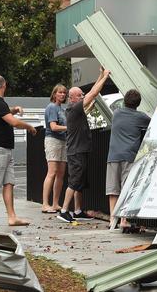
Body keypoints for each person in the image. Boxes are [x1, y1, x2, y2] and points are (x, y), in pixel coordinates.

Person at [0, 75, 37, 227]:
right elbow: (14, 122)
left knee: (9, 183)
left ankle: (12, 217)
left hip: (5, 149)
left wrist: (15, 109)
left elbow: (6, 113)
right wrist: (29, 127)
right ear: (4, 86)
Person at [57, 67, 111, 223]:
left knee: (79, 182)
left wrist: (100, 75)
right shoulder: (74, 108)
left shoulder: (76, 108)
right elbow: (93, 93)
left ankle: (78, 210)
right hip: (76, 151)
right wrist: (105, 78)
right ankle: (64, 210)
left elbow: (91, 93)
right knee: (74, 182)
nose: (83, 97)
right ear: (72, 97)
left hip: (80, 150)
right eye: (80, 95)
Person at [106, 89, 150, 229]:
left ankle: (112, 220)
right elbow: (151, 124)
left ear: (125, 101)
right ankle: (124, 220)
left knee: (113, 189)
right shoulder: (141, 117)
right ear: (138, 103)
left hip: (113, 155)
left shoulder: (117, 113)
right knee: (126, 189)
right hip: (129, 156)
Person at [41, 84, 68, 213]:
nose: (62, 95)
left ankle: (56, 203)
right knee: (52, 172)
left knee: (61, 174)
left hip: (63, 141)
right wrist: (69, 128)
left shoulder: (61, 109)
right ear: (54, 94)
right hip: (53, 140)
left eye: (64, 93)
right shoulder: (52, 107)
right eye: (60, 92)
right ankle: (45, 204)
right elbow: (53, 127)